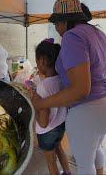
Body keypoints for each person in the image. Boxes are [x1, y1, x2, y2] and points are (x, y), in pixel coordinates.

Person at [31, 0, 106, 174]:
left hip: (91, 109)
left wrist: (41, 103)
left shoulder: (72, 36)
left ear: (65, 21)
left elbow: (81, 89)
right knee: (95, 149)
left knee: (84, 164)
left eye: (57, 24)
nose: (57, 30)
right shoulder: (98, 33)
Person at [30, 38, 71, 175]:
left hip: (47, 131)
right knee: (59, 148)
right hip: (60, 126)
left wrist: (33, 108)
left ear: (42, 61)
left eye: (36, 62)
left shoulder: (42, 87)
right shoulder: (61, 80)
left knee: (50, 160)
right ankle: (67, 172)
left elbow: (43, 122)